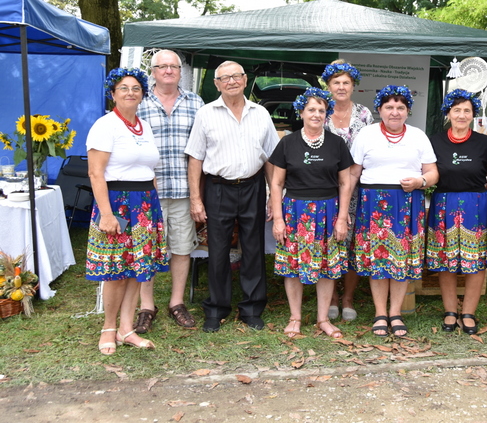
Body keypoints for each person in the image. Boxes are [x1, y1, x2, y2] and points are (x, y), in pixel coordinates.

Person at [184, 60, 280, 333]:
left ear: (245, 79)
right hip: (217, 188)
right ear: (216, 84)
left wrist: (274, 193)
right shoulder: (205, 114)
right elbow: (195, 159)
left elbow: (272, 157)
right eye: (224, 78)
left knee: (253, 248)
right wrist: (196, 198)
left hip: (253, 186)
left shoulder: (260, 113)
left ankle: (251, 309)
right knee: (218, 250)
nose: (231, 82)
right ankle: (216, 309)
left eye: (236, 76)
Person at [86, 68, 167, 354]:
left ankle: (126, 328)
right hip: (117, 203)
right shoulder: (105, 125)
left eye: (135, 88)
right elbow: (96, 174)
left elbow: (149, 170)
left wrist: (155, 209)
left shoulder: (144, 126)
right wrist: (106, 214)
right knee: (116, 271)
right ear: (113, 94)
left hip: (145, 204)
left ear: (143, 94)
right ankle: (108, 328)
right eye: (123, 88)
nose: (130, 92)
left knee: (138, 269)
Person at [349, 85, 438, 337]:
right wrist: (344, 207)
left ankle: (396, 313)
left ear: (408, 111)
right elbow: (353, 174)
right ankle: (380, 313)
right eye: (389, 107)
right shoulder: (366, 135)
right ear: (379, 110)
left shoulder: (418, 136)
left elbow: (432, 173)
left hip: (406, 203)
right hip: (373, 205)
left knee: (400, 260)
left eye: (400, 107)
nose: (395, 112)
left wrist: (420, 182)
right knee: (378, 260)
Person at [270, 88, 354, 338]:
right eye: (311, 110)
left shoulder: (336, 143)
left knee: (327, 266)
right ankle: (295, 317)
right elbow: (276, 183)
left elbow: (345, 183)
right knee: (293, 266)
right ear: (301, 112)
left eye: (321, 110)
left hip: (328, 210)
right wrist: (277, 218)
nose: (316, 114)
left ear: (326, 113)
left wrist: (341, 218)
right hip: (295, 210)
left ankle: (322, 319)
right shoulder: (287, 142)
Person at [134, 50, 205, 333]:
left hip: (184, 191)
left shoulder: (196, 103)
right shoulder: (137, 102)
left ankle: (177, 302)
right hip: (147, 191)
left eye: (173, 66)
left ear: (180, 71)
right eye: (162, 66)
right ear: (152, 71)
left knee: (182, 247)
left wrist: (198, 194)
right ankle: (146, 306)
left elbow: (201, 151)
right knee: (147, 250)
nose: (168, 71)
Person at [426, 89, 487, 335]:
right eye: (457, 110)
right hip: (443, 204)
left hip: (475, 205)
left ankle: (468, 312)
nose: (462, 115)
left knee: (475, 261)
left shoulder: (484, 143)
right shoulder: (434, 141)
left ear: (473, 115)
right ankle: (450, 310)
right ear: (448, 113)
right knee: (445, 261)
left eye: (467, 110)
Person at [321, 60, 373, 322]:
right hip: (326, 189)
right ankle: (330, 297)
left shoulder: (364, 114)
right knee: (330, 241)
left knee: (352, 242)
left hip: (358, 190)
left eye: (346, 83)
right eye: (336, 82)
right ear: (328, 86)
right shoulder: (320, 111)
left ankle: (349, 297)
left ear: (353, 86)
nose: (341, 87)